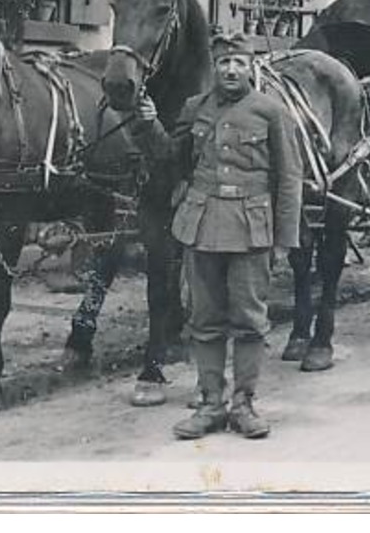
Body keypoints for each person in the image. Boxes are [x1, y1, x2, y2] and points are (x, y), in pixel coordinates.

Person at [140, 31, 303, 441]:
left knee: (249, 321)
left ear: (251, 69)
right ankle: (211, 403)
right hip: (202, 225)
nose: (231, 69)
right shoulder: (195, 108)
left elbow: (289, 178)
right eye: (224, 63)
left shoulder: (270, 111)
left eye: (239, 63)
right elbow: (172, 159)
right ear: (214, 68)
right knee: (204, 320)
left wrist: (284, 238)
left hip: (251, 230)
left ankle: (244, 405)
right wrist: (149, 125)